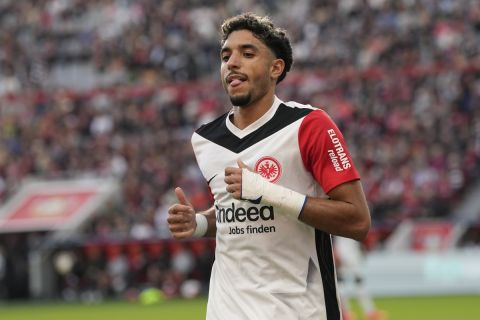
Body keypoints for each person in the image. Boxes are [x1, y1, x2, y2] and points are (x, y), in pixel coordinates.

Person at [167, 12, 371, 320]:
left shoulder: (309, 125)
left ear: (275, 68)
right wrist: (199, 223)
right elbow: (231, 211)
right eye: (226, 56)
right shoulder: (205, 139)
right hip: (226, 309)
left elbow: (357, 221)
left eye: (247, 54)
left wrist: (267, 192)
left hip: (297, 309)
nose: (232, 62)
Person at [334, 236, 387, 320]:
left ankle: (346, 313)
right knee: (357, 282)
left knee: (342, 282)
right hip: (348, 254)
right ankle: (368, 312)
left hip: (346, 252)